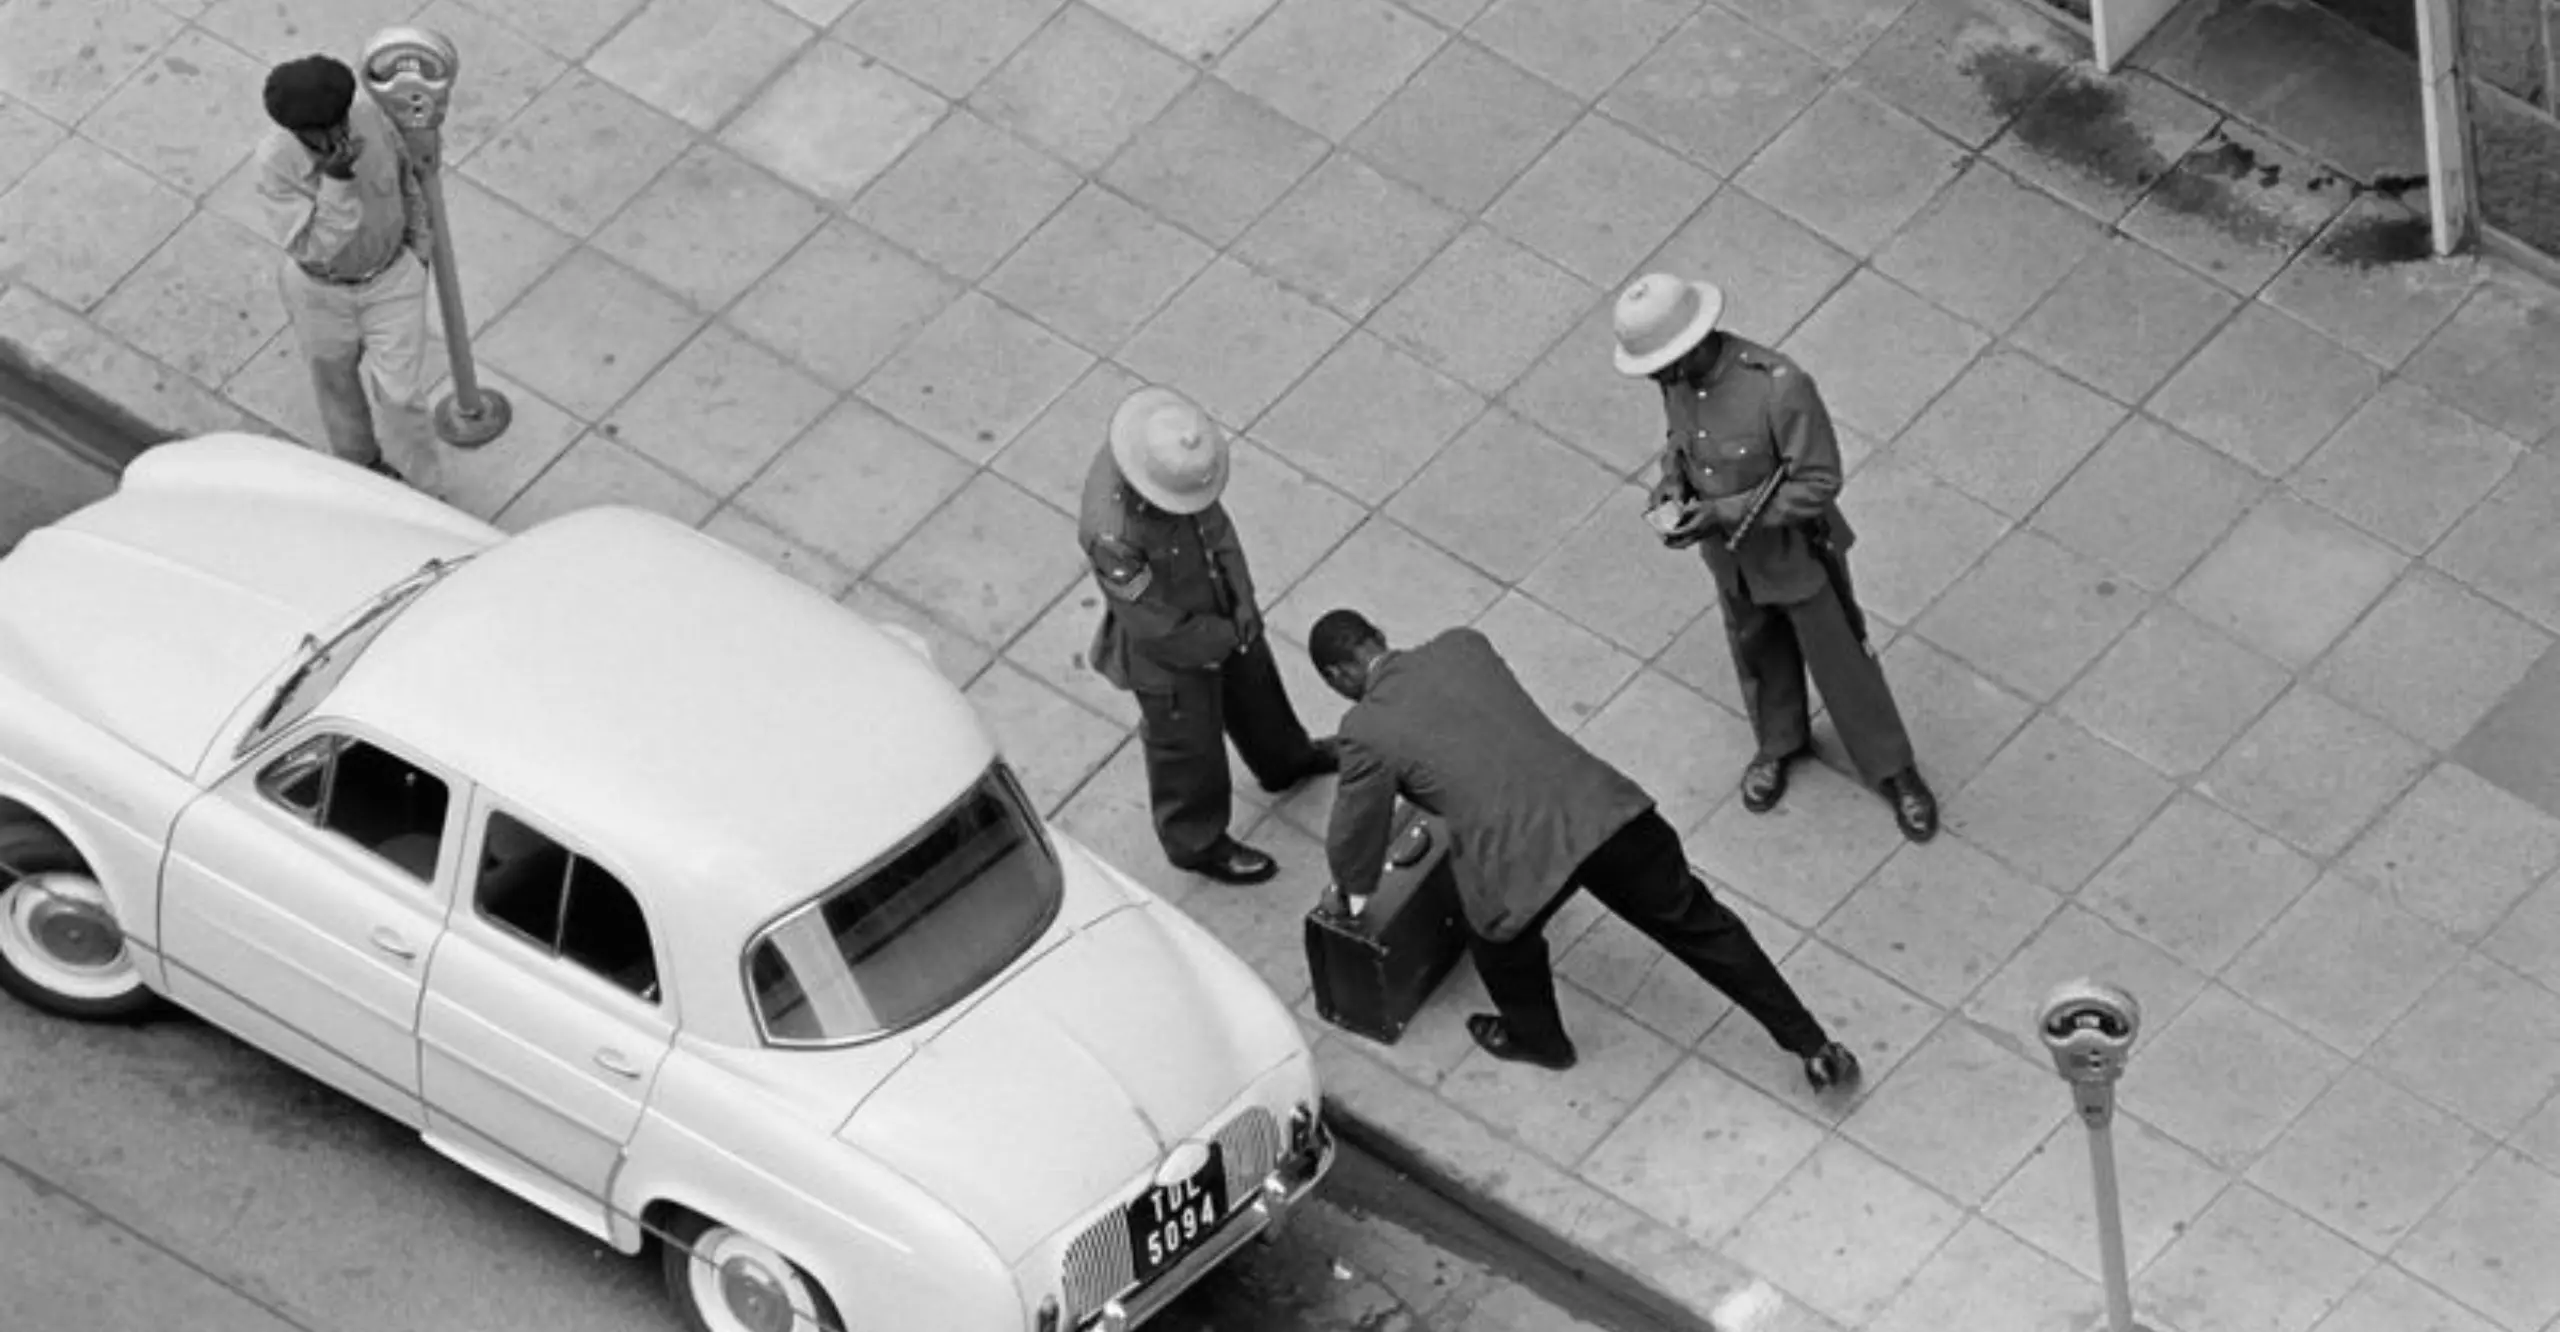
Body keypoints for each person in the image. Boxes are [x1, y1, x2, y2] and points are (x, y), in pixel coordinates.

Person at [1309, 609, 1858, 1088]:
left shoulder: (1366, 731)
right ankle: (1812, 1044)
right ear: (1377, 635)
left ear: (1338, 675)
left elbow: (1358, 829)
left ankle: (1540, 1040)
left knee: (1497, 944)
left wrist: (1352, 894)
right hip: (1606, 812)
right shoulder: (1462, 644)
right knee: (1700, 925)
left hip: (1520, 860)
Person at [1613, 272, 1938, 844]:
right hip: (1729, 558)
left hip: (1795, 554)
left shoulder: (1778, 386)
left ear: (1693, 344)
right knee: (1757, 652)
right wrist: (1671, 488)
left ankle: (1893, 769)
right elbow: (1681, 445)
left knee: (1843, 664)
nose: (1658, 378)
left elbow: (1819, 480)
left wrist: (1727, 512)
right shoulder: (1676, 382)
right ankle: (1780, 741)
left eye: (1663, 364)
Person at [1079, 386, 1338, 886]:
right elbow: (1152, 624)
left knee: (1258, 691)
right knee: (1187, 746)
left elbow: (1215, 528)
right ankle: (1196, 841)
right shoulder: (1113, 534)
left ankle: (1285, 759)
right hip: (1171, 652)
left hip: (1218, 608)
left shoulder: (1173, 454)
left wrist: (1243, 600)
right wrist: (1223, 636)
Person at [253, 54, 442, 493]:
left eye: (340, 122)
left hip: (392, 277)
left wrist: (419, 250)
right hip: (320, 290)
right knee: (334, 381)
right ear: (298, 132)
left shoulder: (370, 119)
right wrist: (337, 182)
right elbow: (313, 245)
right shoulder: (273, 164)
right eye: (322, 132)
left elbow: (405, 178)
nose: (339, 136)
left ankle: (427, 491)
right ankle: (361, 467)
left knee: (400, 396)